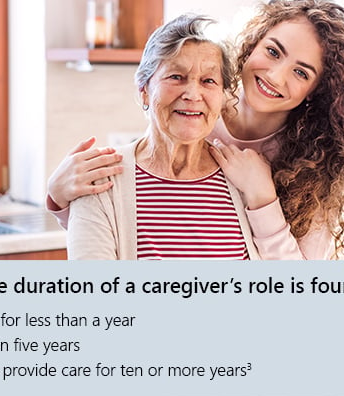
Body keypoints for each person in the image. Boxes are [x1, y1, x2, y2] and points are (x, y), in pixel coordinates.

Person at [53, 0, 344, 260]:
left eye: (301, 72)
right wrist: (57, 196)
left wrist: (263, 199)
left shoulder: (318, 169)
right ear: (252, 43)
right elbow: (122, 222)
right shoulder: (195, 113)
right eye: (273, 52)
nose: (275, 75)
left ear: (316, 92)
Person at [67, 13, 262, 260]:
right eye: (176, 77)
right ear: (144, 91)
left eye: (208, 80)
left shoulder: (244, 179)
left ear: (222, 97)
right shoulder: (99, 180)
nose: (193, 94)